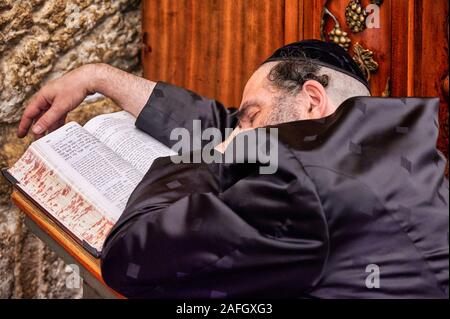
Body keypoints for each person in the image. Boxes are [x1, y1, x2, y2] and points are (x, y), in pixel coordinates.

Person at [18, 40, 449, 298]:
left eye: (252, 113)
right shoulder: (392, 155)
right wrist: (99, 77)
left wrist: (198, 158)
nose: (240, 130)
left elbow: (130, 258)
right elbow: (227, 125)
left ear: (312, 99)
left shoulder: (304, 190)